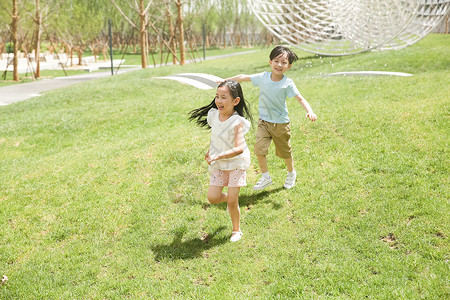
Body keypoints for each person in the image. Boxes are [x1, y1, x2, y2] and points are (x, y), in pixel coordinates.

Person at [223, 45, 317, 190]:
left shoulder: (288, 83)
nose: (279, 65)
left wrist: (310, 111)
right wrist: (225, 81)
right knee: (259, 150)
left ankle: (291, 173)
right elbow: (243, 77)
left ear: (289, 66)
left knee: (285, 152)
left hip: (281, 124)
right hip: (264, 122)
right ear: (270, 62)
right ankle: (265, 177)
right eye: (276, 61)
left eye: (284, 62)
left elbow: (300, 99)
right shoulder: (263, 77)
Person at [189, 80, 253, 242]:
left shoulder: (237, 122)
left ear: (235, 101)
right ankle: (231, 198)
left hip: (236, 163)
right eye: (217, 96)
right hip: (220, 162)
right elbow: (216, 136)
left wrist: (217, 156)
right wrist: (210, 151)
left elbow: (238, 149)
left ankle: (236, 230)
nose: (218, 101)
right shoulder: (214, 116)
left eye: (224, 97)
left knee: (232, 201)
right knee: (213, 198)